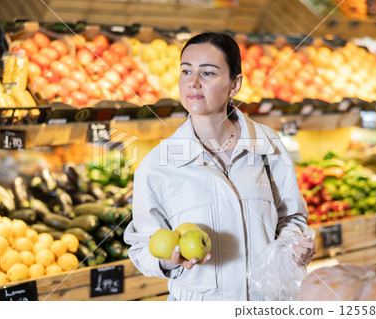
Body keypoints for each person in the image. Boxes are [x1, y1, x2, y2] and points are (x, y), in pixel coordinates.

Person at [123, 32, 315, 301]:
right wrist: (168, 262)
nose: (193, 82)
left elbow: (292, 217)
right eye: (186, 71)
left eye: (208, 73)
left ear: (234, 84)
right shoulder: (158, 164)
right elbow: (142, 244)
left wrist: (293, 246)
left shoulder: (267, 145)